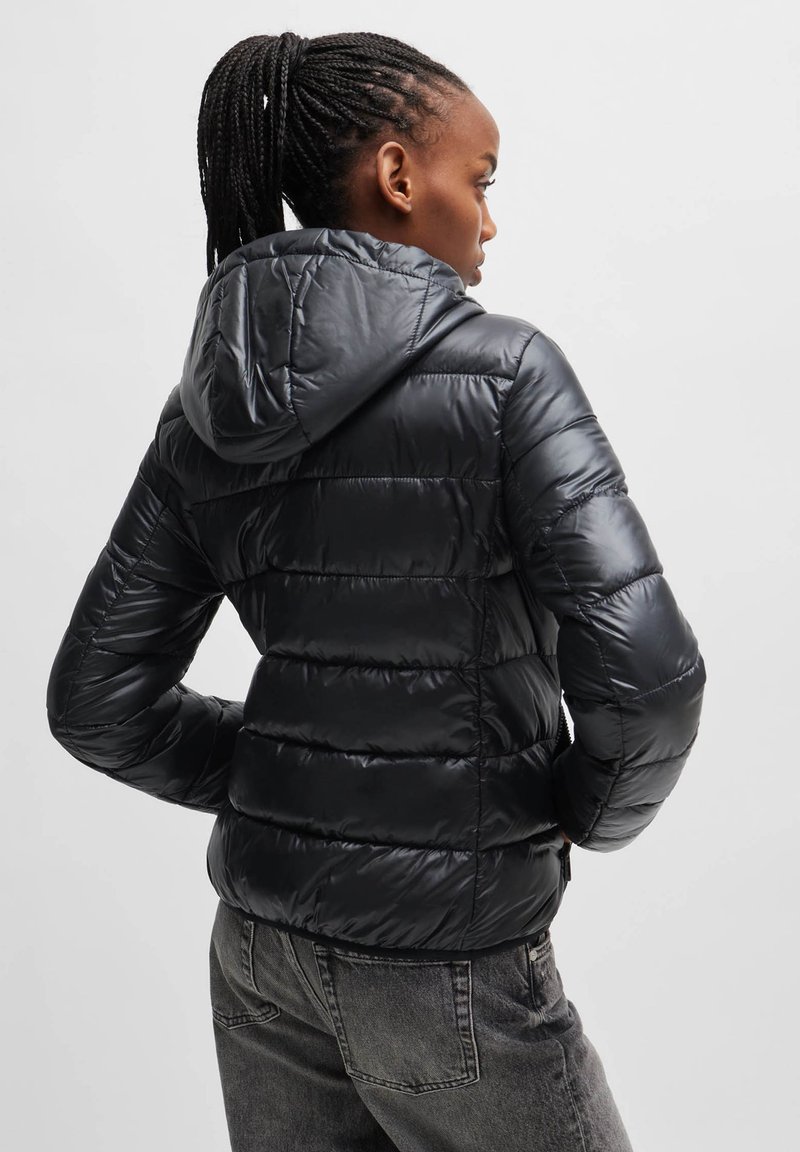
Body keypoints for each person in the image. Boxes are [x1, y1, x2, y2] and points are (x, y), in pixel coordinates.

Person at [45, 29, 707, 1152]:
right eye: (479, 181)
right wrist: (581, 809)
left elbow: (96, 700)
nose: (488, 220)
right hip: (449, 960)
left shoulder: (202, 413)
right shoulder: (508, 376)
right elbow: (648, 684)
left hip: (259, 956)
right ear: (398, 176)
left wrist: (287, 778)